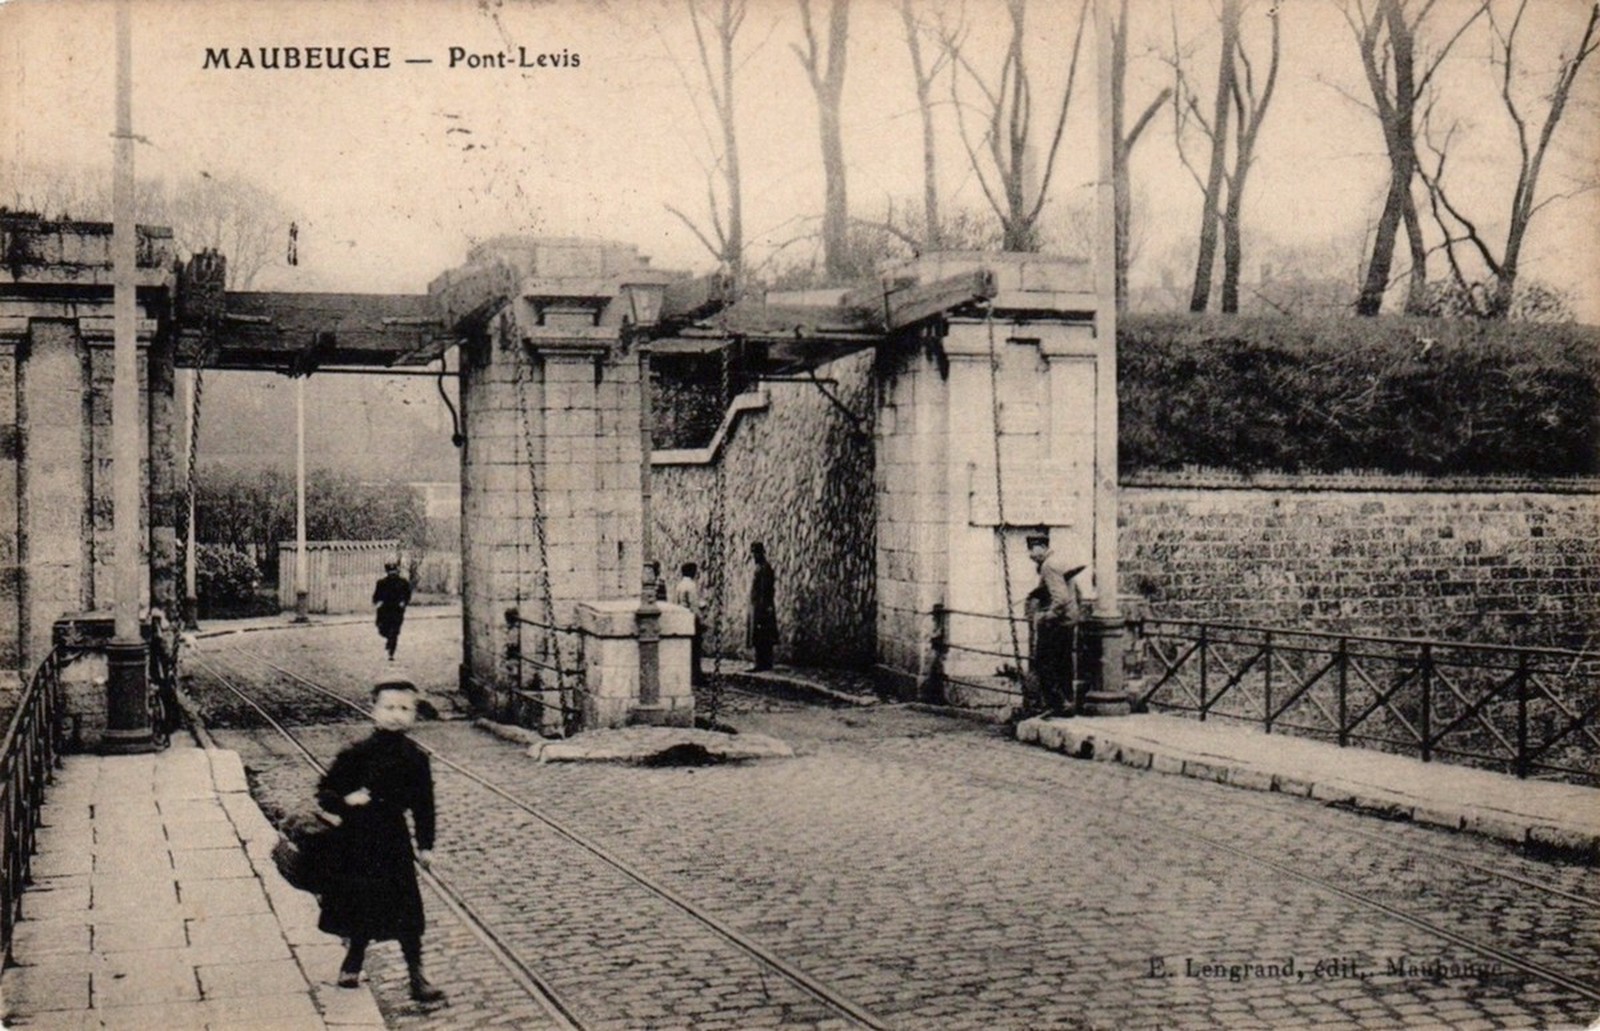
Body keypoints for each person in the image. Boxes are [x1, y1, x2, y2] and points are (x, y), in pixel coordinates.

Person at [316, 678, 445, 1004]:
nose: (396, 715)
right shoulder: (356, 754)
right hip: (357, 840)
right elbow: (325, 793)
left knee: (407, 911)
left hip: (393, 841)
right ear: (373, 710)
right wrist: (347, 800)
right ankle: (353, 962)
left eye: (405, 708)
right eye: (389, 707)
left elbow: (423, 805)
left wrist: (426, 845)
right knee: (362, 903)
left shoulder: (416, 758)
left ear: (414, 714)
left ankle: (416, 976)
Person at [1026, 530, 1087, 717]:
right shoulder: (1059, 561)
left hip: (1057, 623)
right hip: (1069, 620)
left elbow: (1060, 598)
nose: (1030, 554)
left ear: (1043, 547)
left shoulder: (1048, 566)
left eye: (1033, 548)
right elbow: (1077, 593)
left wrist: (1046, 616)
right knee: (1064, 663)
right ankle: (1067, 702)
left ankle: (1056, 704)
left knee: (1044, 662)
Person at [672, 562, 705, 685]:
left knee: (685, 649)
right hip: (691, 619)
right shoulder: (691, 586)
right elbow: (694, 605)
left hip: (681, 618)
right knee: (695, 650)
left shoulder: (679, 585)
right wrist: (700, 620)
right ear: (692, 572)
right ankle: (696, 677)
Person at [747, 542, 778, 672]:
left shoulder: (765, 568)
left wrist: (764, 607)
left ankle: (763, 663)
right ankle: (762, 662)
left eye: (755, 553)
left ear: (761, 553)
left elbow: (766, 590)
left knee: (762, 634)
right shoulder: (760, 567)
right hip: (758, 606)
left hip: (762, 606)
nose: (754, 555)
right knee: (761, 634)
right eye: (753, 553)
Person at [373, 560, 412, 661]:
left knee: (394, 631)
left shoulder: (403, 583)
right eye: (390, 572)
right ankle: (389, 639)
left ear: (397, 571)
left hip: (397, 610)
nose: (392, 574)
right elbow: (376, 595)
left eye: (394, 571)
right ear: (387, 572)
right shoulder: (381, 583)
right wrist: (378, 601)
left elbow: (407, 595)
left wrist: (404, 602)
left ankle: (391, 652)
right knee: (382, 630)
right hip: (384, 611)